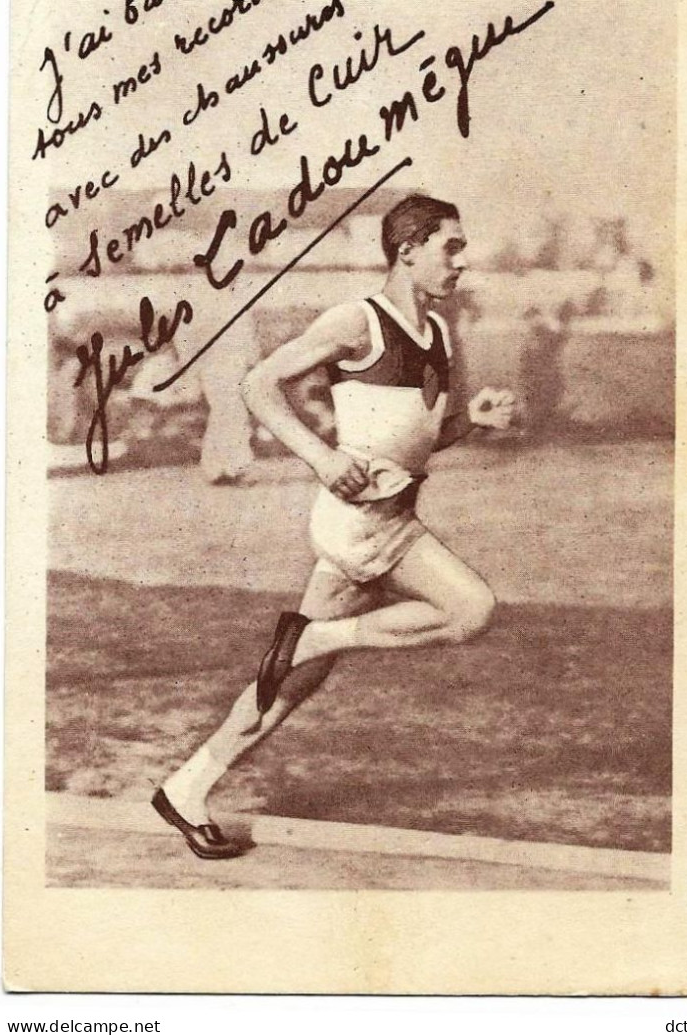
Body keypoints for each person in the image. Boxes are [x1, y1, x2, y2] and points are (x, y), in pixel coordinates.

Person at [152, 194, 515, 858]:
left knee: (291, 683)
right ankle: (316, 637)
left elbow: (418, 439)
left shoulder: (434, 331)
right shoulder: (358, 321)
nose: (460, 260)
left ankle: (185, 787)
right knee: (470, 608)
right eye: (450, 245)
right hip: (358, 526)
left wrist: (475, 422)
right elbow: (258, 382)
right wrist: (320, 456)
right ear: (406, 246)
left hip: (392, 521)